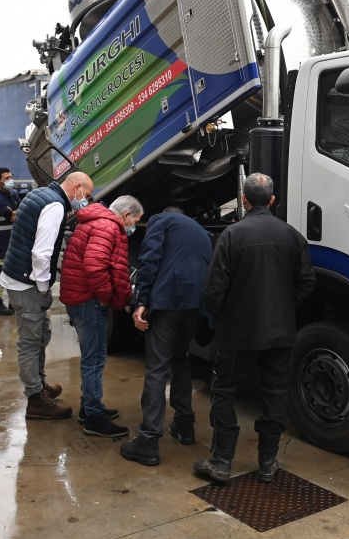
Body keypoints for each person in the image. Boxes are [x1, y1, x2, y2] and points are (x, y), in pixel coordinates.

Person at [193, 173, 315, 483]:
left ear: (244, 201)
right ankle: (267, 464)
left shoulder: (232, 235)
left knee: (224, 391)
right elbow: (307, 282)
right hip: (280, 333)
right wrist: (285, 308)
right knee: (275, 395)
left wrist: (226, 316)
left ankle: (221, 461)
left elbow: (213, 290)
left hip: (237, 333)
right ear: (272, 200)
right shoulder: (293, 237)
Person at [119, 206, 213, 466]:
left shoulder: (160, 220)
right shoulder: (201, 232)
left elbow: (149, 260)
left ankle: (148, 443)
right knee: (180, 358)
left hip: (169, 301)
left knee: (157, 368)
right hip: (197, 305)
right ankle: (185, 427)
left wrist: (141, 301)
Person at [0, 171, 94, 420]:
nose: (86, 200)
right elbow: (42, 253)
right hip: (27, 282)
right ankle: (35, 400)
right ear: (76, 189)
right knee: (31, 341)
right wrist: (43, 289)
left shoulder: (41, 193)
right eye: (87, 195)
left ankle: (40, 386)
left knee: (42, 333)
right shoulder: (54, 206)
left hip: (17, 275)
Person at [59, 195, 143, 438]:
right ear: (126, 215)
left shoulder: (95, 222)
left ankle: (89, 407)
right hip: (89, 301)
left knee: (91, 357)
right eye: (134, 221)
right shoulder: (107, 226)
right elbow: (95, 266)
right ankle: (94, 417)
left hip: (81, 297)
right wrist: (106, 297)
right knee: (94, 359)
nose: (132, 227)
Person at [0, 167, 20, 316]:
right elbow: (11, 216)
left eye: (11, 177)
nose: (10, 180)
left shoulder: (12, 194)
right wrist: (22, 210)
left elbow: (18, 211)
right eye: (7, 178)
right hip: (0, 242)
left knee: (14, 272)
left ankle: (13, 302)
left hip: (13, 241)